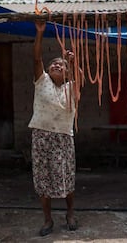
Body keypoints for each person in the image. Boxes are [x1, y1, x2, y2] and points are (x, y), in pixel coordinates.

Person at [28, 20, 78, 236]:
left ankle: (70, 213)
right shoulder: (42, 81)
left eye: (61, 65)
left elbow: (78, 78)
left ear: (67, 73)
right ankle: (47, 220)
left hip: (64, 138)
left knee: (66, 177)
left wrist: (72, 63)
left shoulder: (72, 87)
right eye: (53, 64)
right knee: (43, 179)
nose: (57, 65)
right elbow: (37, 58)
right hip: (41, 136)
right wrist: (40, 33)